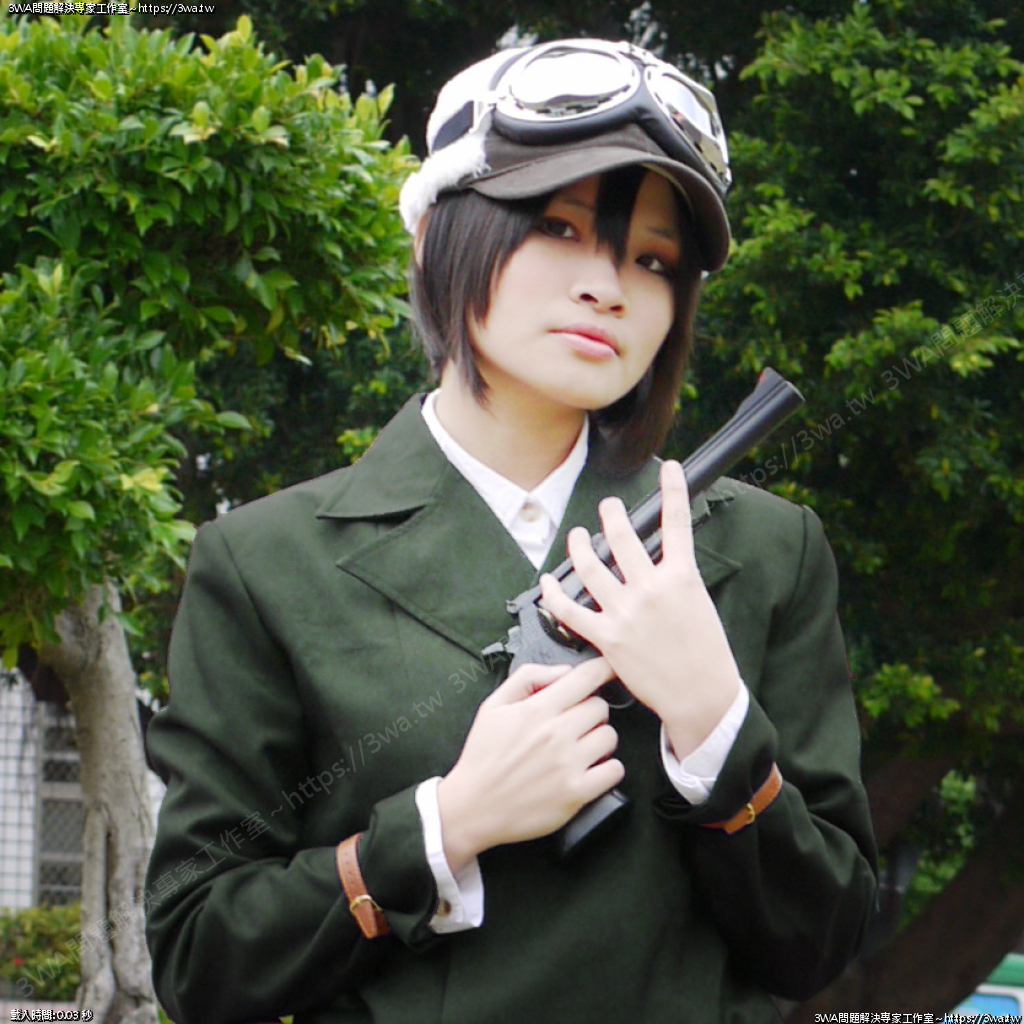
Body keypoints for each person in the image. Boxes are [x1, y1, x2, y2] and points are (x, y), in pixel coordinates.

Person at [144, 38, 877, 1024]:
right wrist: (445, 827)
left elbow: (823, 939)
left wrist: (715, 725)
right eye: (559, 227)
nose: (609, 285)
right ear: (431, 236)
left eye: (652, 258)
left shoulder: (767, 550)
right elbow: (199, 958)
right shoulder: (267, 563)